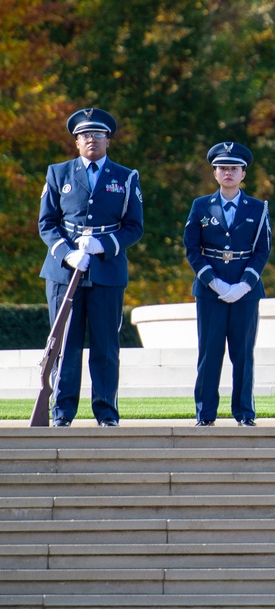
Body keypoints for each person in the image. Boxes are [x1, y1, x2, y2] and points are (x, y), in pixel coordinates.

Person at [37, 107, 144, 427]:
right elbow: (47, 223)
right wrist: (67, 254)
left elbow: (134, 227)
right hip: (63, 272)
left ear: (108, 140)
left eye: (98, 135)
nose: (91, 140)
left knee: (105, 345)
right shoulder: (58, 173)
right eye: (85, 135)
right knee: (65, 344)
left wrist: (103, 245)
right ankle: (62, 411)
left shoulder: (126, 177)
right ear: (76, 142)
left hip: (107, 270)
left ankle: (106, 412)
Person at [183, 142, 271, 427]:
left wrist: (244, 285)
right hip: (210, 292)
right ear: (215, 173)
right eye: (223, 168)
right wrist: (214, 283)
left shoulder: (257, 208)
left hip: (245, 292)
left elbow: (262, 250)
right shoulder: (200, 206)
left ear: (244, 173)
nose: (228, 172)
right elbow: (192, 249)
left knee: (243, 354)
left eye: (234, 168)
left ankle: (244, 413)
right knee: (209, 353)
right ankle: (205, 414)